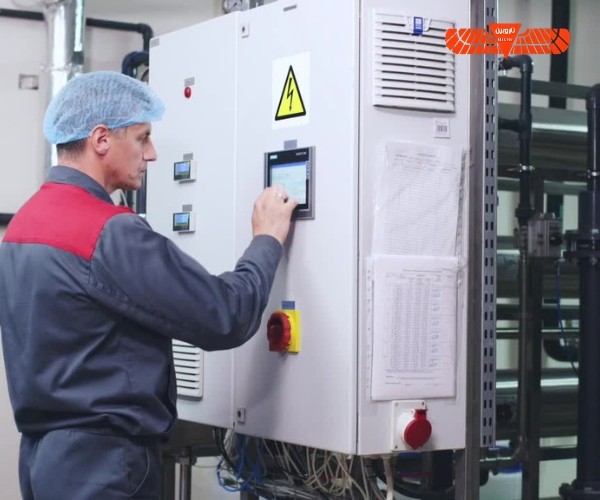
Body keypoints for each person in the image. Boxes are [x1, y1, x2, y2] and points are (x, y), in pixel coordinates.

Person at [0, 71, 297, 499]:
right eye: (143, 138)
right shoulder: (108, 232)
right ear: (102, 139)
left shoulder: (24, 225)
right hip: (104, 467)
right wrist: (267, 239)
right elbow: (225, 315)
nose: (152, 154)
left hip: (43, 462)